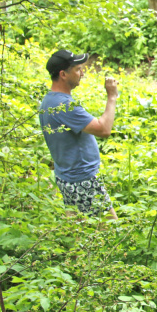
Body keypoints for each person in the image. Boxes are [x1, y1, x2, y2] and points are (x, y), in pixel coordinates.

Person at [39, 50, 119, 219]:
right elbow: (104, 129)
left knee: (79, 231)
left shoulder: (49, 100)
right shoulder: (64, 105)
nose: (82, 73)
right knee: (111, 231)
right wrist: (112, 96)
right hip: (82, 180)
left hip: (66, 177)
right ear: (63, 74)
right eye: (77, 69)